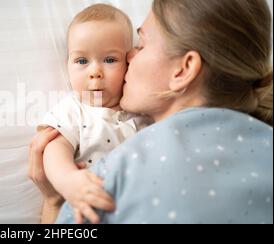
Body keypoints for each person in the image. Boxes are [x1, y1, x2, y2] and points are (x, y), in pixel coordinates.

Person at [29, 0, 273, 224]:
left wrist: (54, 202)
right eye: (82, 61)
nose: (130, 56)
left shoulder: (120, 174)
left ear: (183, 70)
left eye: (141, 45)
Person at [36, 4, 150, 224]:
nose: (95, 72)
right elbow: (54, 149)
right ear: (67, 64)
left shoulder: (141, 111)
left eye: (109, 60)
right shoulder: (73, 110)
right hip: (87, 210)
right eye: (81, 61)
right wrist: (68, 180)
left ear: (129, 61)